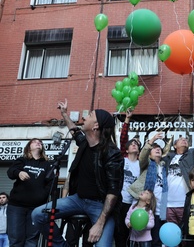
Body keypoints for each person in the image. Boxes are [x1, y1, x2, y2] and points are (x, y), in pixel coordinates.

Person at [31, 99, 124, 247]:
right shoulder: (85, 143)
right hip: (77, 200)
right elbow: (74, 130)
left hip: (101, 206)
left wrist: (100, 224)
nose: (84, 117)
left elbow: (113, 191)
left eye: (90, 115)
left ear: (96, 126)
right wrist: (64, 114)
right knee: (37, 214)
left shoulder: (112, 154)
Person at [7, 138, 54, 247]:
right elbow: (10, 172)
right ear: (29, 147)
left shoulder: (47, 165)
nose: (39, 143)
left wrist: (42, 195)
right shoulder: (22, 160)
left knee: (32, 240)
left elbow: (51, 184)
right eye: (35, 142)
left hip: (36, 208)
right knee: (16, 239)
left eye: (40, 143)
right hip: (16, 207)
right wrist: (18, 173)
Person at [128, 133, 168, 247]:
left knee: (157, 240)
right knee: (142, 240)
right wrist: (151, 141)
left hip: (161, 209)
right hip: (146, 208)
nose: (157, 149)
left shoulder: (164, 167)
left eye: (159, 148)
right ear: (150, 154)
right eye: (154, 148)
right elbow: (142, 156)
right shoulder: (146, 164)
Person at [115, 108, 142, 247]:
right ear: (126, 149)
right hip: (119, 201)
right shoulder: (122, 159)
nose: (133, 144)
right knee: (118, 234)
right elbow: (123, 138)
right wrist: (127, 119)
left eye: (136, 144)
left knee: (130, 236)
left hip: (133, 204)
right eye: (131, 144)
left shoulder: (141, 164)